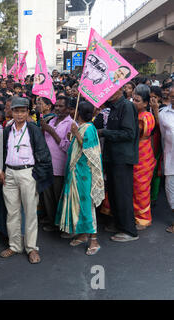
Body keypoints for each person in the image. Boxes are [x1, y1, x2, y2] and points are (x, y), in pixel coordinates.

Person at [0, 97, 53, 264]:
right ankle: (14, 245)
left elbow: (43, 154)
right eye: (16, 111)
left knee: (30, 212)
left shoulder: (33, 130)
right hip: (9, 174)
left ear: (28, 112)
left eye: (23, 111)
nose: (19, 114)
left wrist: (36, 175)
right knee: (12, 212)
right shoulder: (7, 130)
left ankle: (31, 247)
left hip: (27, 173)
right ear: (11, 112)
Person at [55, 101, 105, 255]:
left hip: (84, 174)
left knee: (86, 206)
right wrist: (74, 135)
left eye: (74, 110)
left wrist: (76, 134)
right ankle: (82, 234)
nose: (72, 112)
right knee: (77, 204)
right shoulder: (80, 126)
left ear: (80, 113)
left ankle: (94, 240)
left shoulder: (89, 128)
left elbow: (91, 151)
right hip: (75, 173)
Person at [98, 87, 139, 242]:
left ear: (120, 90)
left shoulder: (126, 106)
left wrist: (104, 132)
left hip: (122, 158)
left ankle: (129, 230)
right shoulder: (112, 108)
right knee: (114, 193)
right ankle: (119, 223)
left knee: (122, 193)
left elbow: (129, 133)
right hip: (111, 157)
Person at [40, 96, 74, 233]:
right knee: (48, 197)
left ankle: (62, 225)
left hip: (60, 167)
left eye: (61, 106)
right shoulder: (52, 120)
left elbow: (68, 148)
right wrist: (44, 129)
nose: (58, 109)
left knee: (59, 197)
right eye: (57, 106)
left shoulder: (71, 124)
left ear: (68, 109)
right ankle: (52, 221)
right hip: (47, 165)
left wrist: (52, 132)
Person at [131, 85, 156, 230]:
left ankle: (143, 218)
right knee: (132, 187)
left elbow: (138, 133)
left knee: (141, 188)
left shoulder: (146, 117)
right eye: (133, 99)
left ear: (145, 103)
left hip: (143, 155)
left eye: (137, 100)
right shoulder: (134, 113)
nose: (133, 102)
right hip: (134, 153)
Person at [156, 86, 174, 233]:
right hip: (170, 159)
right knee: (170, 192)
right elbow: (161, 134)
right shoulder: (163, 114)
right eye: (172, 95)